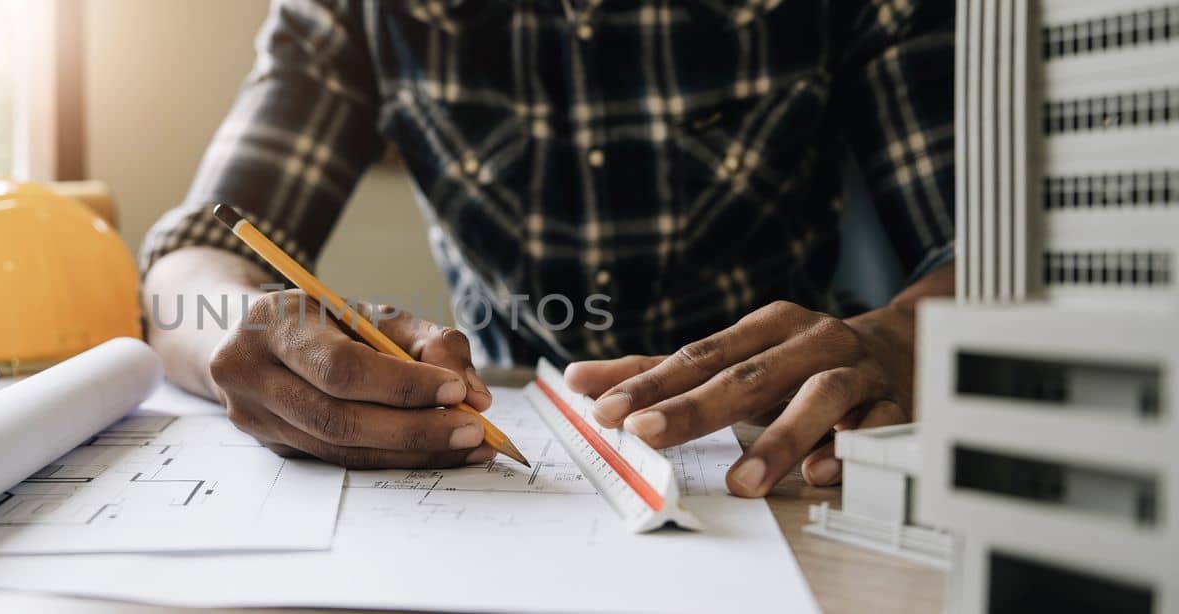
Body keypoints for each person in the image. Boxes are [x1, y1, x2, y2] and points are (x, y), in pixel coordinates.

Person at [141, 0, 954, 498]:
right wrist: (249, 334)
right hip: (496, 423)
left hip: (786, 449)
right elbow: (189, 263)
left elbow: (990, 257)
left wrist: (902, 340)